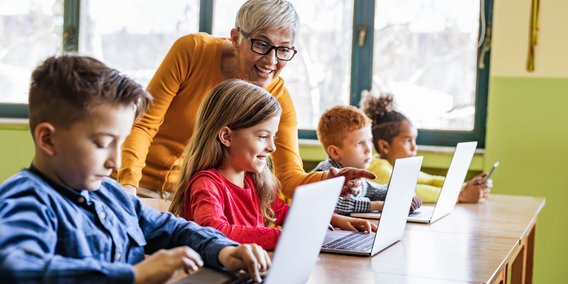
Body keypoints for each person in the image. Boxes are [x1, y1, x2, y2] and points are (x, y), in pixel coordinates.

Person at [0, 55, 270, 283]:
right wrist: (133, 274)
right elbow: (18, 269)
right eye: (103, 143)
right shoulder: (26, 200)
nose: (116, 162)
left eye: (121, 143)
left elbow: (174, 229)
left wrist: (224, 251)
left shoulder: (110, 193)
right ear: (48, 139)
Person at [116, 0, 373, 200]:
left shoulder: (278, 98)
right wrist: (128, 186)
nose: (271, 61)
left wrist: (329, 179)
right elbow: (143, 124)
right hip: (140, 187)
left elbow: (289, 177)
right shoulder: (192, 51)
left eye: (283, 49)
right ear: (236, 38)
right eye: (261, 44)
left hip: (196, 199)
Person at [169, 79, 377, 250]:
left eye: (273, 137)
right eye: (262, 136)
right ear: (226, 136)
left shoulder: (252, 180)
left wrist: (333, 219)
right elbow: (214, 231)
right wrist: (283, 237)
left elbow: (285, 212)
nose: (272, 147)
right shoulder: (206, 184)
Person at [361, 92, 492, 203]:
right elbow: (408, 191)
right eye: (408, 141)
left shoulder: (397, 167)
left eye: (414, 140)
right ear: (385, 146)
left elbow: (430, 180)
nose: (414, 147)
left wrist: (467, 186)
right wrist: (461, 195)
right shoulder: (378, 169)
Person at [313, 105, 422, 215]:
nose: (368, 149)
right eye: (360, 143)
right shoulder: (324, 174)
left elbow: (376, 191)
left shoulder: (357, 177)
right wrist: (377, 206)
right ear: (335, 152)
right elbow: (334, 204)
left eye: (369, 141)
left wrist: (405, 195)